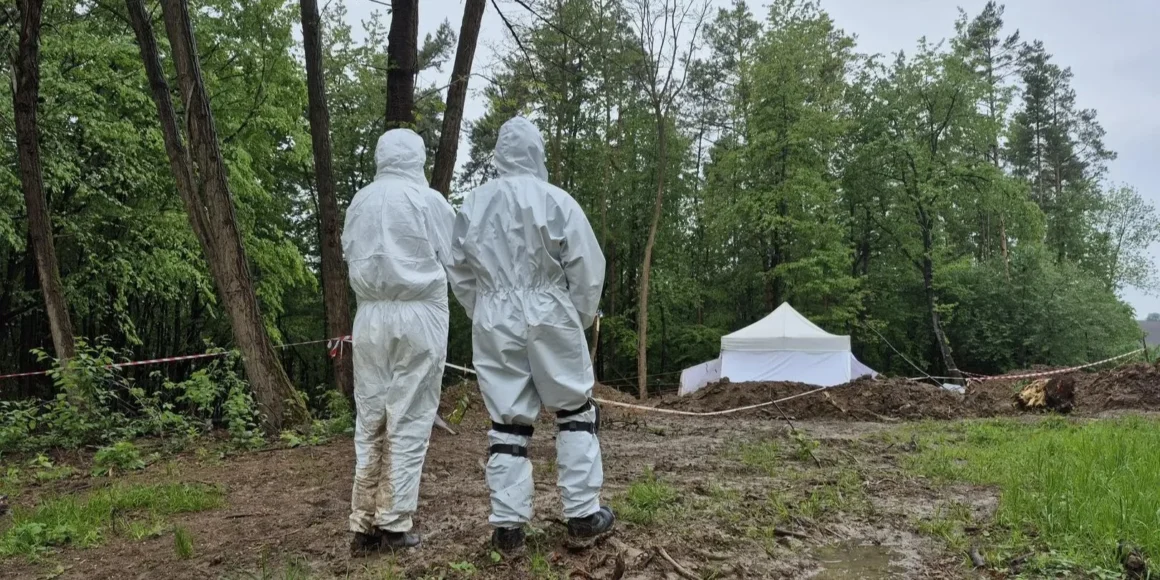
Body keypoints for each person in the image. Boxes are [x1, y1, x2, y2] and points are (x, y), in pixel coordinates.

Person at [448, 116, 613, 553]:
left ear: (499, 155)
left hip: (495, 313)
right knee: (574, 409)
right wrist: (578, 317)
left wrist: (482, 309)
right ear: (537, 153)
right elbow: (587, 266)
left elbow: (458, 268)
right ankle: (583, 514)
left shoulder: (474, 204)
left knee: (508, 420)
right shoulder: (556, 200)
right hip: (550, 308)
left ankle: (508, 528)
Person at [341, 128, 455, 555]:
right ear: (417, 157)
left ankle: (363, 523)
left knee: (370, 417)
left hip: (370, 317)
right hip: (419, 314)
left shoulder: (360, 202)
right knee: (408, 417)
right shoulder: (428, 201)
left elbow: (349, 252)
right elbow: (457, 255)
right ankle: (393, 522)